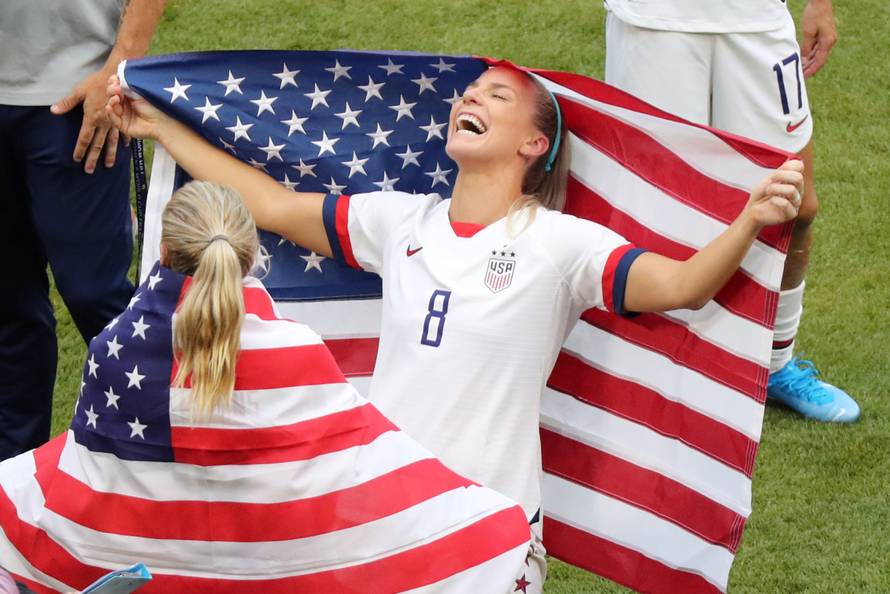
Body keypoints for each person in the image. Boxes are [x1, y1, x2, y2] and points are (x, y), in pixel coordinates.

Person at [107, 63, 804, 592]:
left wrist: (750, 220)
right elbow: (270, 204)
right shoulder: (399, 221)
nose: (471, 99)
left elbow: (681, 286)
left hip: (489, 531)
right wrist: (161, 126)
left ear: (535, 142)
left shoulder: (562, 244)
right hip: (382, 516)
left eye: (496, 96)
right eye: (469, 93)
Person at [0, 180, 531, 593]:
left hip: (156, 562)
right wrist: (489, 526)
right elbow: (360, 460)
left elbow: (88, 468)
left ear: (163, 250)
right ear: (250, 254)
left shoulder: (116, 348)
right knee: (494, 528)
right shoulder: (292, 348)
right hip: (274, 561)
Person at [602, 0, 859, 422]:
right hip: (654, 24)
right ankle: (654, 373)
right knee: (657, 212)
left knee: (795, 207)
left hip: (757, 21)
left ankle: (775, 365)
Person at [0, 0, 167, 461]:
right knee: (8, 305)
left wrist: (119, 66)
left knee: (97, 297)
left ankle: (165, 459)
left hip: (76, 88)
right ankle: (14, 477)